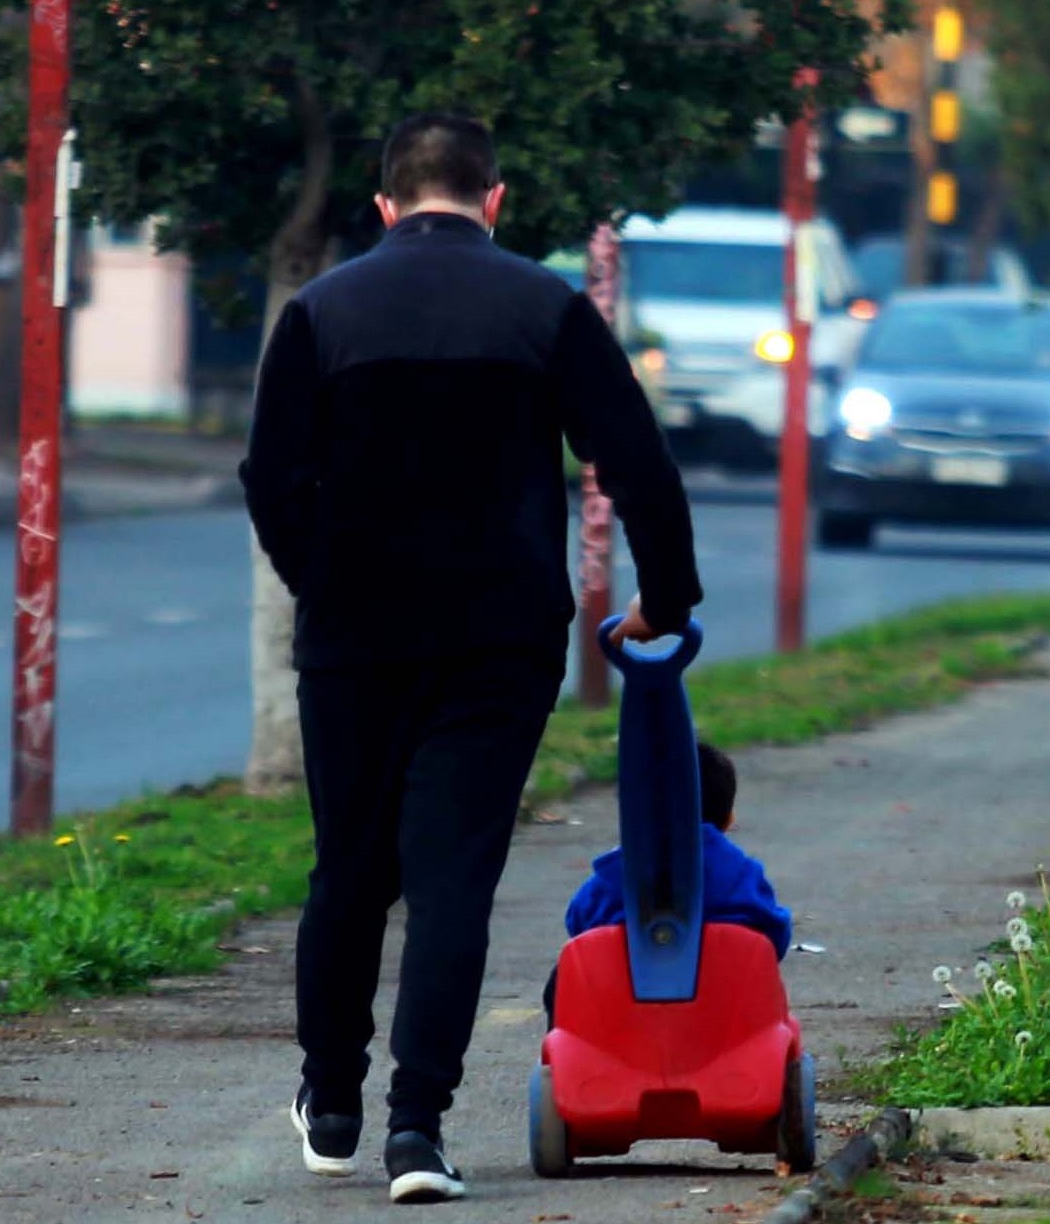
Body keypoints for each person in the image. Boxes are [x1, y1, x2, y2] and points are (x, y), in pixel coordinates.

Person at [240, 113, 702, 1206]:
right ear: (495, 200)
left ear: (385, 206)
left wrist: (324, 581)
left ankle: (332, 1102)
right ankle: (417, 1132)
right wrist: (666, 598)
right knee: (452, 880)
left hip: (354, 638)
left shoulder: (320, 310)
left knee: (347, 868)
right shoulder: (545, 308)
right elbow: (634, 462)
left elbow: (271, 476)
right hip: (499, 638)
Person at [542, 742, 791, 1027]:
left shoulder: (617, 871)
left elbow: (578, 921)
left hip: (625, 1021)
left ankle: (563, 1048)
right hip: (721, 1020)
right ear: (728, 820)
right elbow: (775, 935)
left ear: (635, 817)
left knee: (563, 976)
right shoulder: (740, 873)